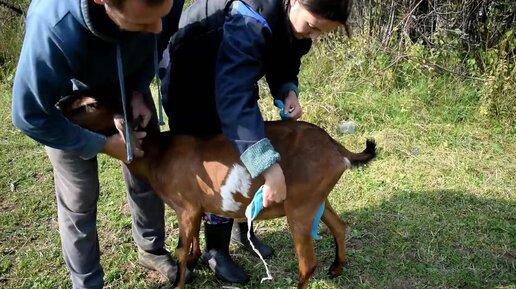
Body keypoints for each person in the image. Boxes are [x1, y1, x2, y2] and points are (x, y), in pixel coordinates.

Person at [160, 0, 353, 284]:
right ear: (295, 1)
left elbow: (285, 57)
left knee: (244, 150)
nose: (313, 36)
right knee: (220, 165)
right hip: (190, 79)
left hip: (231, 77)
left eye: (321, 34)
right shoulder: (248, 18)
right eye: (312, 27)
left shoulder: (290, 20)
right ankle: (215, 250)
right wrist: (268, 167)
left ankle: (243, 228)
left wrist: (287, 89)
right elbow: (233, 99)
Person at [11, 0, 185, 288]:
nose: (157, 27)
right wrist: (102, 144)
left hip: (127, 90)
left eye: (163, 15)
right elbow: (29, 116)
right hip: (71, 106)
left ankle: (151, 248)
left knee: (148, 167)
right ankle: (87, 282)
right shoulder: (52, 24)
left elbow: (158, 40)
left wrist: (139, 89)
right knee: (79, 196)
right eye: (143, 23)